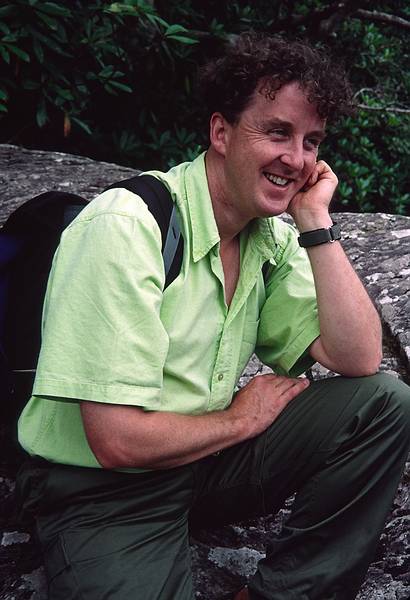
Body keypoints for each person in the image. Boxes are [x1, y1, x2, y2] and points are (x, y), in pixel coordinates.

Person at [16, 33, 410, 600]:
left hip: (201, 461)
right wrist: (241, 421)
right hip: (104, 488)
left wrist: (316, 225)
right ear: (220, 132)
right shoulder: (126, 227)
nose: (296, 159)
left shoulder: (267, 235)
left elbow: (358, 357)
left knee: (383, 403)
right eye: (277, 131)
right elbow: (116, 441)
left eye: (311, 141)